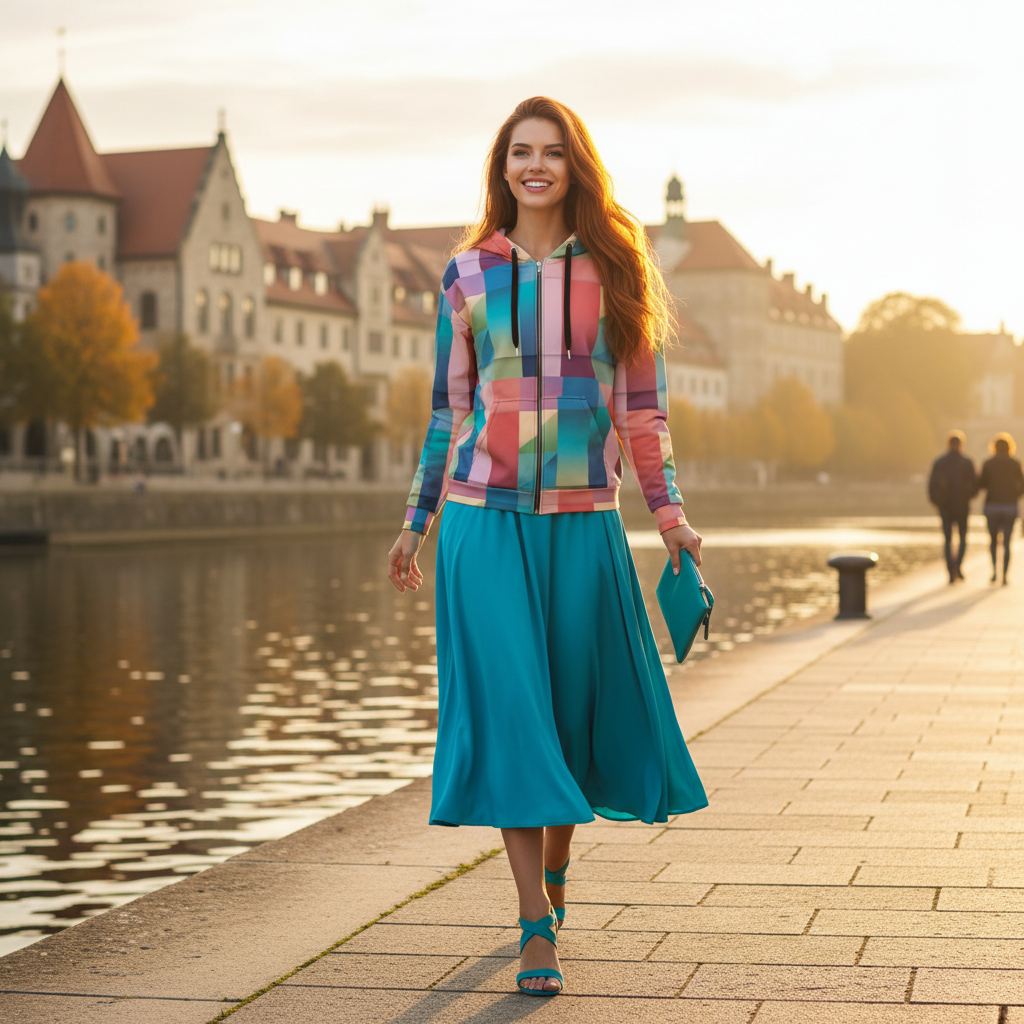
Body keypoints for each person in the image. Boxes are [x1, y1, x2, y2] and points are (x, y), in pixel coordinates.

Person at [386, 97, 707, 997]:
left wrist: (670, 514)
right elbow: (449, 412)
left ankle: (557, 880)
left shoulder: (616, 271)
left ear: (575, 167)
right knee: (517, 717)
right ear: (503, 166)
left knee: (566, 720)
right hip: (483, 524)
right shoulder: (464, 274)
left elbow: (643, 413)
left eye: (552, 154)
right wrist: (418, 521)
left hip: (582, 524)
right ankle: (534, 923)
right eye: (521, 153)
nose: (536, 167)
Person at [928, 430, 977, 583]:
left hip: (945, 507)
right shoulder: (967, 462)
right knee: (962, 539)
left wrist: (937, 502)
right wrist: (968, 497)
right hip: (962, 506)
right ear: (961, 445)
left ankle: (950, 570)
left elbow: (931, 485)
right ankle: (958, 567)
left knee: (948, 540)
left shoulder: (940, 462)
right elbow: (975, 485)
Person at [976, 433, 1024, 585]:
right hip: (1010, 506)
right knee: (1007, 542)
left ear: (994, 447)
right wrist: (1014, 494)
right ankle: (1005, 575)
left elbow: (981, 484)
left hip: (992, 506)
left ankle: (994, 572)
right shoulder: (1015, 463)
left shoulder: (988, 463)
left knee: (993, 541)